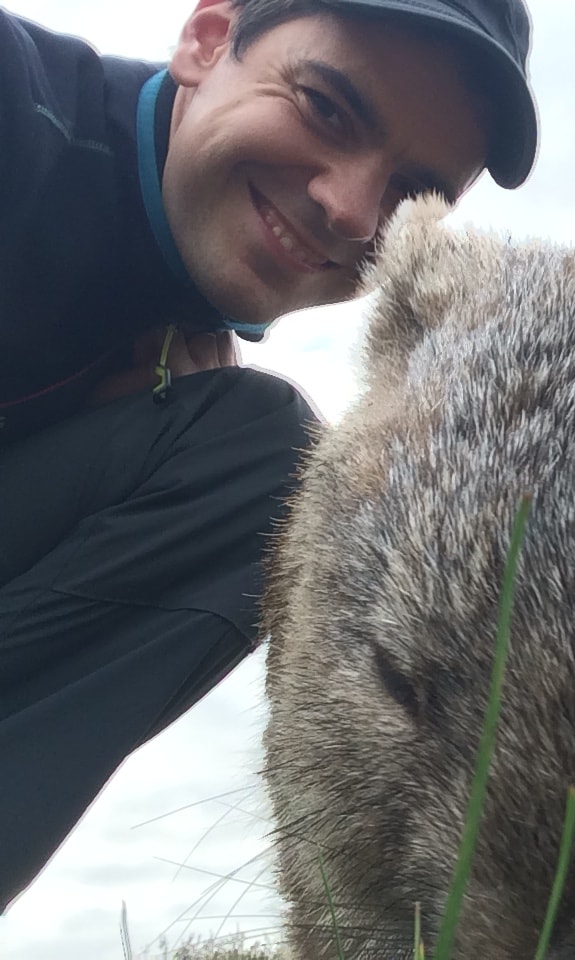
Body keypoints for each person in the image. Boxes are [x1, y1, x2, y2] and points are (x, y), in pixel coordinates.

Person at [0, 0, 538, 910]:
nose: (350, 208)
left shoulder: (198, 390)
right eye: (327, 106)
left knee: (273, 474)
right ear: (208, 41)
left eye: (412, 194)